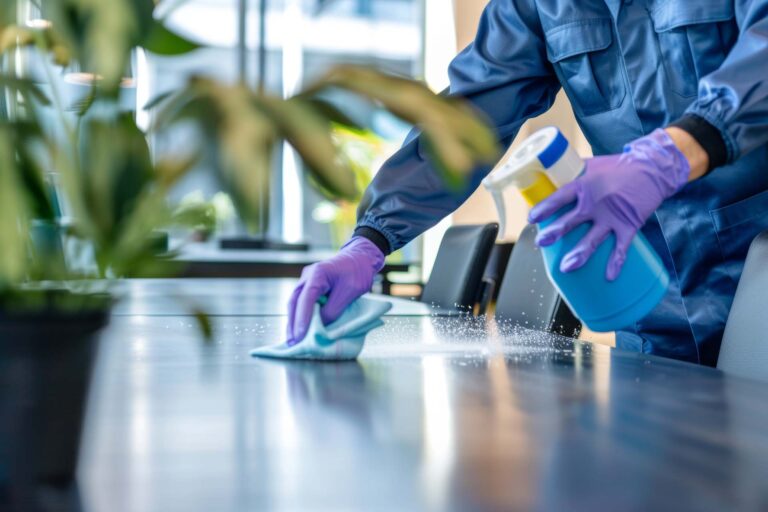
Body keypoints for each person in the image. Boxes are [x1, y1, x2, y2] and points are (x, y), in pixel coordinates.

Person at [287, 0, 768, 367]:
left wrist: (671, 155)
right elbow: (468, 117)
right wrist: (371, 238)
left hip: (758, 267)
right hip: (648, 285)